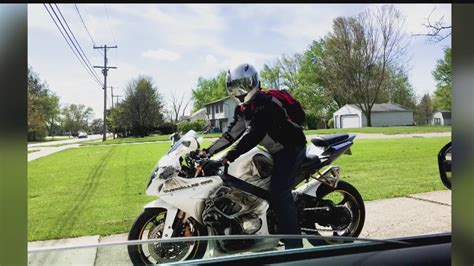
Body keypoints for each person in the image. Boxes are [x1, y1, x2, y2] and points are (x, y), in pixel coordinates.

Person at [200, 63, 306, 249]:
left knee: (279, 192)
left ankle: (294, 246)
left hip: (291, 148)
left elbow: (252, 135)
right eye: (235, 86)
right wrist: (206, 152)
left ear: (254, 83)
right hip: (274, 150)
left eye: (244, 85)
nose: (240, 91)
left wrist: (225, 158)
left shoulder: (266, 105)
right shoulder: (243, 108)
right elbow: (232, 133)